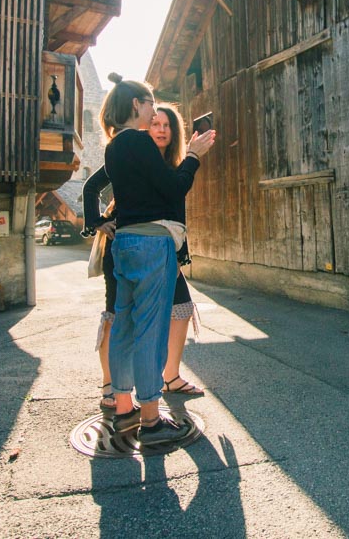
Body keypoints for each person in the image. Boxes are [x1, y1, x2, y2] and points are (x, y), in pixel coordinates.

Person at [99, 78, 215, 445]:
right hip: (152, 243)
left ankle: (124, 410)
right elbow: (173, 188)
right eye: (150, 103)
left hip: (124, 243)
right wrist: (193, 155)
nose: (153, 111)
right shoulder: (140, 141)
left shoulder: (114, 148)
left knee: (124, 326)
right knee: (150, 330)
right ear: (136, 104)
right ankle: (150, 419)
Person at [149, 103, 204, 396]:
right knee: (136, 315)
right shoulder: (142, 160)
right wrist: (99, 222)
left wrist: (181, 254)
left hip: (168, 247)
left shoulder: (173, 166)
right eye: (155, 124)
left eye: (167, 125)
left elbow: (176, 209)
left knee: (180, 308)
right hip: (145, 245)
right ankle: (122, 387)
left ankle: (169, 376)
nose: (161, 130)